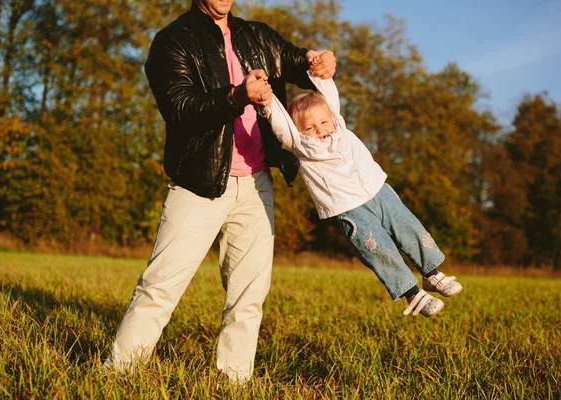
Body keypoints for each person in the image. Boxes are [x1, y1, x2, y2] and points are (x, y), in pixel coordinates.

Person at [103, 0, 336, 383]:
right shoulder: (173, 41)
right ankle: (118, 375)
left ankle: (233, 381)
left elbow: (299, 63)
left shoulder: (257, 34)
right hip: (199, 182)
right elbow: (180, 108)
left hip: (257, 184)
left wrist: (320, 63)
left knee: (248, 297)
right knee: (160, 287)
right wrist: (237, 97)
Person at [262, 61, 462, 318]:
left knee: (408, 227)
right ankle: (413, 294)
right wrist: (268, 103)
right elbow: (281, 124)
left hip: (378, 189)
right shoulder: (301, 145)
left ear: (332, 118)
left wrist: (317, 73)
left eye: (323, 122)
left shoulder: (339, 126)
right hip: (350, 207)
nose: (320, 130)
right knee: (378, 248)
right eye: (310, 128)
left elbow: (329, 96)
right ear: (299, 132)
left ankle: (432, 274)